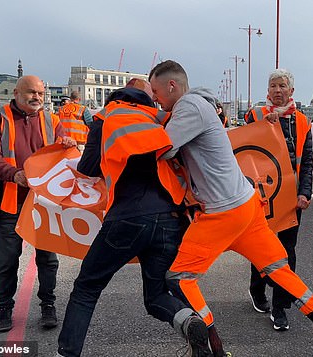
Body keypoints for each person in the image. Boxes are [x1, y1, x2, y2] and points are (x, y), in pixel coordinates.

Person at [150, 60, 313, 357]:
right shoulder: (200, 106)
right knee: (278, 269)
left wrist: (141, 119)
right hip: (246, 205)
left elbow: (163, 148)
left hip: (223, 210)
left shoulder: (189, 107)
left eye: (155, 91)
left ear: (172, 86)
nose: (155, 98)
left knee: (179, 279)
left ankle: (212, 350)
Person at [57, 79, 213, 357]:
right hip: (170, 217)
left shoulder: (105, 119)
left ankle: (67, 353)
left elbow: (89, 167)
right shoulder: (160, 118)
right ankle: (188, 322)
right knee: (156, 296)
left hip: (128, 217)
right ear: (148, 99)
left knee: (86, 288)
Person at [0, 75, 77, 332]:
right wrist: (15, 175)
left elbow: (62, 156)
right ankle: (4, 308)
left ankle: (48, 305)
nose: (37, 97)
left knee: (47, 259)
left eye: (40, 94)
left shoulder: (51, 120)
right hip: (11, 203)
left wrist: (67, 143)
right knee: (7, 260)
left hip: (43, 204)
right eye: (31, 93)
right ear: (16, 93)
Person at [244, 68, 313, 331]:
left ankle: (280, 305)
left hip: (291, 198)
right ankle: (257, 288)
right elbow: (244, 152)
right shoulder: (255, 115)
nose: (278, 90)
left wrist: (305, 192)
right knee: (259, 247)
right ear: (267, 90)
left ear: (291, 91)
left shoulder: (303, 121)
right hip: (261, 197)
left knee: (286, 252)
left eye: (282, 85)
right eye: (273, 85)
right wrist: (264, 127)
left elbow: (307, 162)